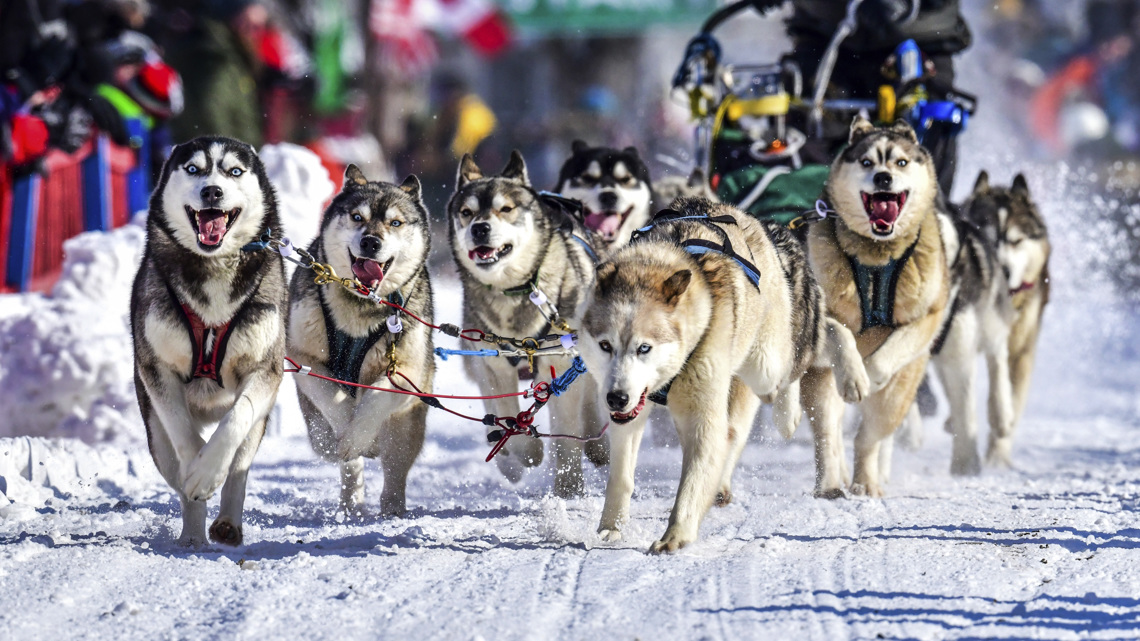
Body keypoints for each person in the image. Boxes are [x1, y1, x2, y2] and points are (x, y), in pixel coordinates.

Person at [785, 0, 972, 194]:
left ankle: (932, 215)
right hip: (824, 34)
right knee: (803, 147)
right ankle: (804, 213)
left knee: (926, 145)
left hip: (920, 37)